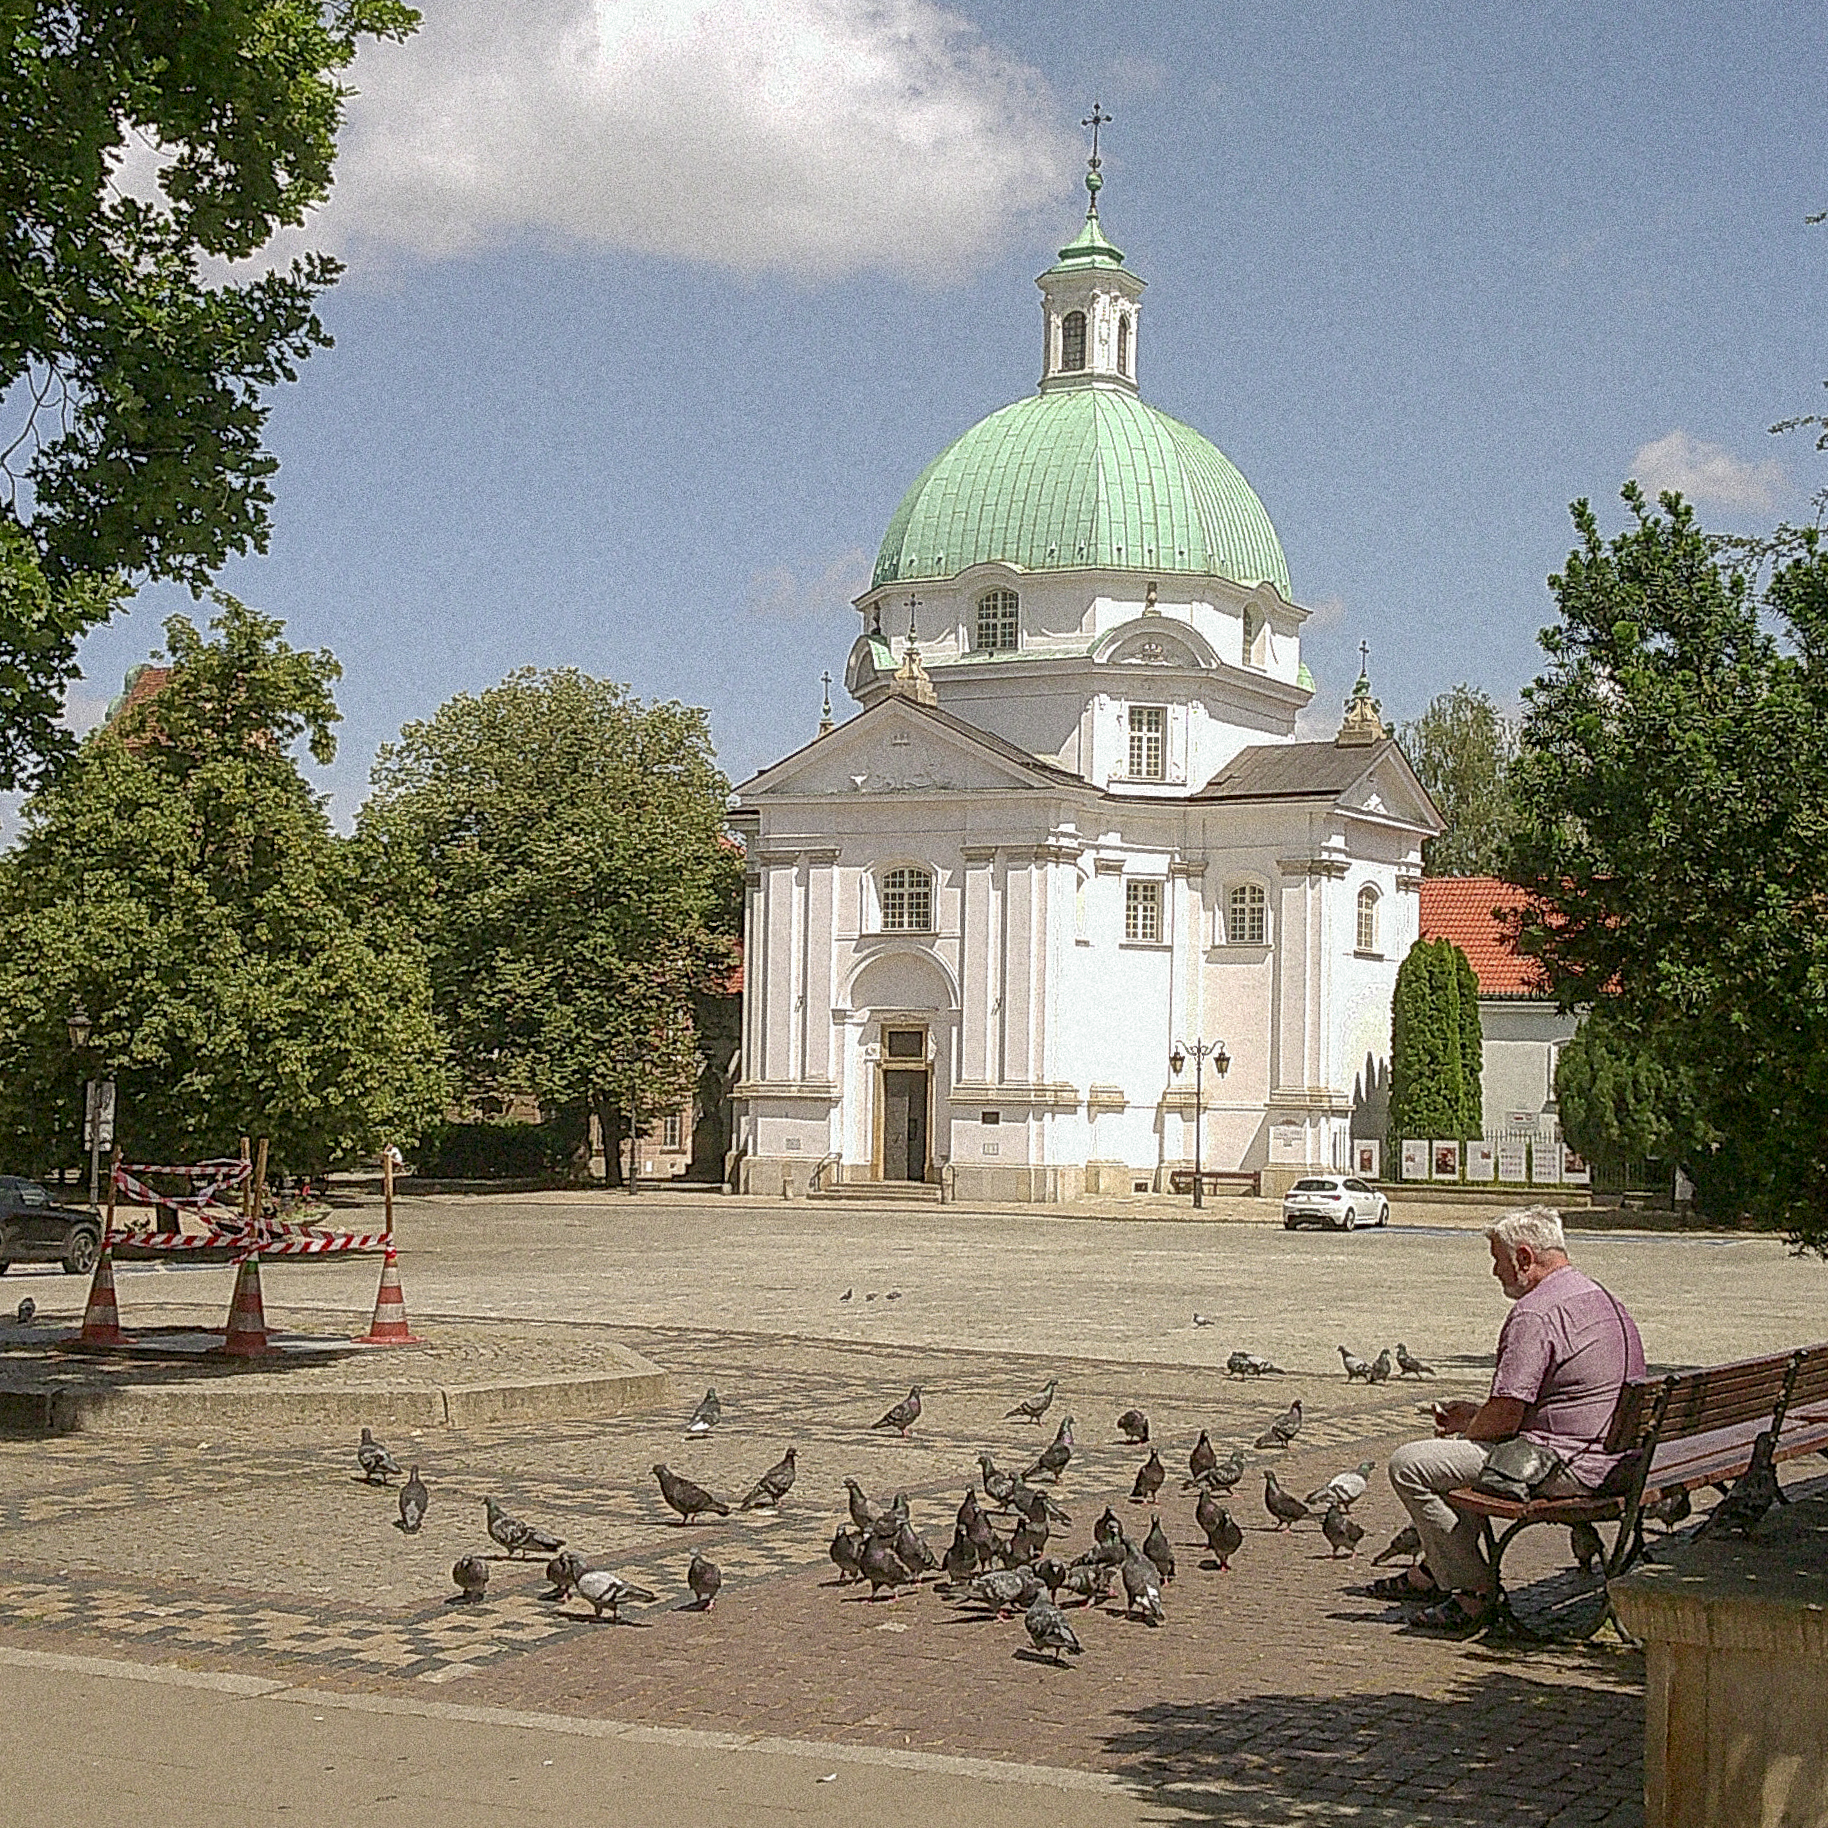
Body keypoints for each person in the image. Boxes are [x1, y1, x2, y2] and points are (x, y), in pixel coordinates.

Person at [1377, 1206, 1645, 1632]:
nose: (1494, 1272)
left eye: (1497, 1260)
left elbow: (1505, 1416)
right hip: (1619, 1458)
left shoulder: (1535, 1313)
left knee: (1411, 1465)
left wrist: (1470, 1426)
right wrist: (1476, 1418)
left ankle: (1472, 1590)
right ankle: (1435, 1570)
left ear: (1524, 1257)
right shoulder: (1600, 1297)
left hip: (1569, 1467)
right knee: (1458, 1458)